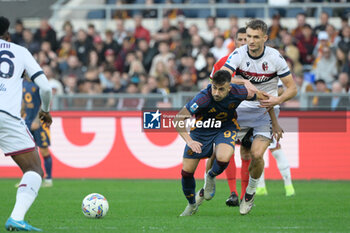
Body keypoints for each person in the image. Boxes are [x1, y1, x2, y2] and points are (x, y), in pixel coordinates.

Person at [208, 19, 297, 215]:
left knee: (256, 155)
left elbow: (292, 88)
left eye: (256, 37)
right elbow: (223, 77)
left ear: (265, 38)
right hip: (239, 109)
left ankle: (249, 193)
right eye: (248, 36)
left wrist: (277, 99)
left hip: (265, 110)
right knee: (219, 151)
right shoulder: (238, 54)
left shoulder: (275, 58)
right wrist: (242, 82)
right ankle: (209, 179)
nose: (251, 41)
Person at [175, 70, 267, 216]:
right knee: (186, 173)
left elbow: (263, 96)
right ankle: (192, 204)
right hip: (201, 131)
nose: (216, 93)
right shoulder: (202, 99)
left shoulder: (239, 92)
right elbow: (178, 119)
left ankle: (210, 176)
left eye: (221, 89)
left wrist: (276, 105)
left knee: (224, 157)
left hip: (225, 127)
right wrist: (190, 141)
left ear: (229, 87)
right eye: (214, 88)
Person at [0, 16, 52, 231]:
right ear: (8, 35)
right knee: (33, 169)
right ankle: (16, 218)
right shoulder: (19, 51)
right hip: (6, 117)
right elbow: (46, 88)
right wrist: (44, 112)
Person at [22, 76, 53, 187]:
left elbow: (44, 103)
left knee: (44, 151)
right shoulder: (23, 84)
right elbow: (24, 102)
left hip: (40, 123)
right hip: (27, 122)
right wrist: (21, 114)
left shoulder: (40, 84)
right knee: (28, 152)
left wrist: (37, 120)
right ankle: (30, 180)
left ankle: (48, 179)